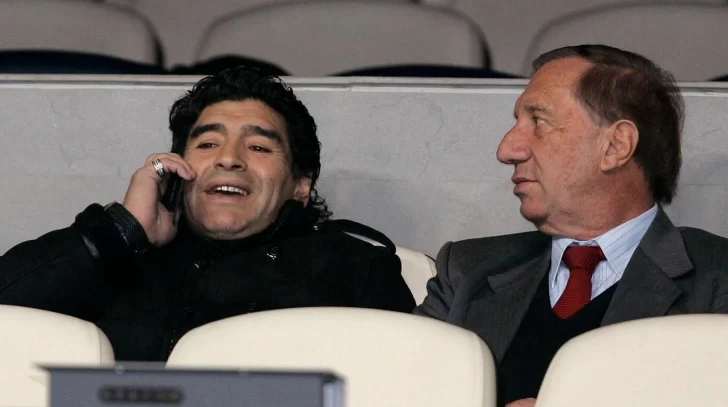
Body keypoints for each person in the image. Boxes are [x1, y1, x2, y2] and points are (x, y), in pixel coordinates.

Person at [0, 67, 415, 361]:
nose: (229, 159)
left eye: (259, 147)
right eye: (207, 144)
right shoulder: (115, 259)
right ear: (178, 169)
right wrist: (123, 231)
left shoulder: (353, 268)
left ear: (300, 185)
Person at [414, 44, 728, 407]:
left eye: (538, 122)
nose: (507, 149)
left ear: (616, 145)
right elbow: (401, 390)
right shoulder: (467, 269)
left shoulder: (716, 278)